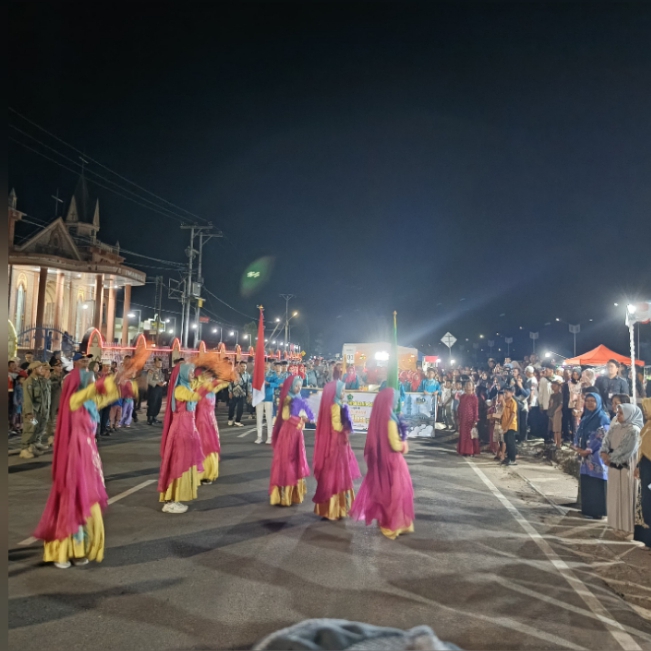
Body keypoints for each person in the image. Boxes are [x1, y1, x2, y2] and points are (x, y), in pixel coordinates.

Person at [33, 367, 122, 568]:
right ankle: (62, 552)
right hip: (74, 457)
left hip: (90, 456)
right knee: (72, 501)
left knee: (89, 502)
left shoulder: (90, 403)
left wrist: (118, 381)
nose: (93, 382)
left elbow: (108, 396)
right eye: (90, 379)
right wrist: (104, 381)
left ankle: (81, 549)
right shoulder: (73, 401)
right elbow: (90, 392)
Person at [350, 387, 414, 539]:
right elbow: (395, 445)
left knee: (386, 492)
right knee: (395, 493)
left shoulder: (383, 417)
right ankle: (393, 524)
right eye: (396, 399)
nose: (397, 401)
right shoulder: (390, 420)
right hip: (392, 461)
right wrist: (404, 444)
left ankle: (389, 522)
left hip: (383, 459)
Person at [158, 363, 208, 514]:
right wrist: (206, 387)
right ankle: (171, 500)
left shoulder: (187, 386)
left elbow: (197, 385)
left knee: (183, 462)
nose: (193, 374)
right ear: (184, 374)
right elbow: (194, 396)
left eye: (193, 371)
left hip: (188, 429)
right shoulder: (180, 389)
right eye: (191, 372)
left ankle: (174, 498)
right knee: (177, 463)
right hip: (181, 429)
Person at [312, 380, 361, 520]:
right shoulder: (335, 406)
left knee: (337, 473)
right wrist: (346, 425)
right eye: (342, 390)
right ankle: (334, 508)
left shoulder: (337, 404)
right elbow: (337, 426)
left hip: (339, 444)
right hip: (337, 445)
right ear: (335, 392)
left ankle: (335, 508)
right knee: (336, 473)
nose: (344, 392)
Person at [269, 375, 314, 506]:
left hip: (296, 433)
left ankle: (292, 493)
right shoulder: (287, 399)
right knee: (287, 460)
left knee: (296, 459)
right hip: (288, 433)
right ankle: (285, 495)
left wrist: (306, 419)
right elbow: (285, 417)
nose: (298, 388)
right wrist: (301, 419)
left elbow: (306, 414)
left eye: (300, 385)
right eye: (296, 385)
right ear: (290, 386)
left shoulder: (298, 397)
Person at [601, 403, 642, 537]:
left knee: (625, 496)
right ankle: (616, 524)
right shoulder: (615, 427)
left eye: (621, 413)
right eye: (617, 413)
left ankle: (627, 528)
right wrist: (604, 453)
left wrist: (610, 458)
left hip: (626, 466)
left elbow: (627, 450)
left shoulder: (634, 430)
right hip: (613, 466)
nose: (618, 416)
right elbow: (606, 441)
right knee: (615, 494)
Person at [572, 393, 610, 519]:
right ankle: (588, 510)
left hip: (597, 456)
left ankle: (598, 512)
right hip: (585, 457)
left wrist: (588, 450)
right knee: (587, 482)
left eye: (593, 401)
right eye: (587, 400)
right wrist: (577, 447)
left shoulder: (602, 418)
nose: (589, 403)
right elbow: (579, 432)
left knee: (597, 483)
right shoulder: (586, 417)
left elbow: (602, 437)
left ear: (598, 402)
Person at [195, 368, 228, 485]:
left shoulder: (211, 386)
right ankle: (202, 473)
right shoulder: (199, 386)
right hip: (201, 420)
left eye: (210, 374)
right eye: (207, 373)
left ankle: (207, 473)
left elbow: (224, 382)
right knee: (204, 445)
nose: (209, 376)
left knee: (209, 445)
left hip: (209, 420)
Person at [20, 361, 51, 459]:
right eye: (40, 368)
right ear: (34, 369)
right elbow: (28, 399)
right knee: (30, 429)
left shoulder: (38, 381)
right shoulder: (29, 382)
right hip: (32, 412)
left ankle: (32, 446)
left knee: (36, 428)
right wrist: (29, 413)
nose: (42, 370)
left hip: (39, 411)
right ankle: (24, 449)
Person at [634, 398, 651, 550]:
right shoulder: (647, 427)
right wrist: (638, 466)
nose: (645, 411)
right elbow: (642, 450)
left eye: (647, 408)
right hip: (646, 470)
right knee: (646, 502)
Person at [256, 360, 277, 445]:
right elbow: (252, 381)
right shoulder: (258, 372)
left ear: (270, 365)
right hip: (259, 397)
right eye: (264, 363)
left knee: (269, 418)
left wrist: (269, 383)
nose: (265, 365)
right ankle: (259, 437)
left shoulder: (273, 373)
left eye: (267, 364)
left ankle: (269, 437)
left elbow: (276, 384)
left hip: (268, 397)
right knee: (259, 418)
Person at [457, 381, 479, 456]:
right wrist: (458, 417)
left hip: (470, 419)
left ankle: (470, 451)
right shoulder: (462, 396)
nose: (468, 386)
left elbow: (476, 409)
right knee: (463, 435)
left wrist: (475, 420)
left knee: (469, 436)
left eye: (470, 385)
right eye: (467, 385)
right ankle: (463, 450)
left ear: (473, 387)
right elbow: (460, 407)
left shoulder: (474, 398)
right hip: (463, 418)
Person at [46, 360, 64, 446]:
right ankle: (50, 437)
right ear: (53, 367)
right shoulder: (50, 376)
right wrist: (58, 383)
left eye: (61, 366)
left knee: (61, 419)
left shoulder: (63, 375)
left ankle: (60, 436)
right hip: (53, 400)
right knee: (51, 419)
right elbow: (48, 386)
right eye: (58, 366)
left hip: (63, 400)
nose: (60, 368)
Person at [500, 386, 518, 466]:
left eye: (507, 392)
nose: (505, 394)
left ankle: (513, 459)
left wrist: (507, 426)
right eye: (505, 392)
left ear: (512, 393)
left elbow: (513, 415)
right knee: (506, 442)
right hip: (504, 425)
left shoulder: (513, 402)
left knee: (511, 442)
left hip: (511, 425)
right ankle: (508, 458)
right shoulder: (505, 401)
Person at [228, 361, 249, 427]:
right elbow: (230, 383)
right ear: (239, 366)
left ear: (246, 367)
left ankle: (237, 421)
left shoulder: (247, 375)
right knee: (232, 407)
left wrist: (249, 394)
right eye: (241, 366)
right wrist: (230, 392)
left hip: (242, 394)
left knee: (240, 408)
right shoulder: (234, 374)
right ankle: (230, 419)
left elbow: (248, 385)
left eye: (244, 366)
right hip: (234, 393)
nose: (243, 367)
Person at [147, 358, 166, 425]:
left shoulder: (161, 371)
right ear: (154, 363)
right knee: (152, 403)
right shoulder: (151, 371)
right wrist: (157, 383)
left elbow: (162, 379)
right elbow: (149, 380)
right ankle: (150, 418)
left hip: (159, 389)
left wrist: (163, 382)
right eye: (158, 363)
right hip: (153, 389)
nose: (160, 364)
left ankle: (155, 417)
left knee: (158, 403)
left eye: (161, 363)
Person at [548, 379, 564, 449]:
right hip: (551, 412)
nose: (553, 387)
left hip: (557, 413)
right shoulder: (552, 395)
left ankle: (558, 444)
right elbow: (550, 404)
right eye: (552, 385)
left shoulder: (560, 395)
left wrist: (555, 412)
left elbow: (561, 404)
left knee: (557, 429)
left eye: (555, 385)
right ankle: (555, 442)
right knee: (554, 429)